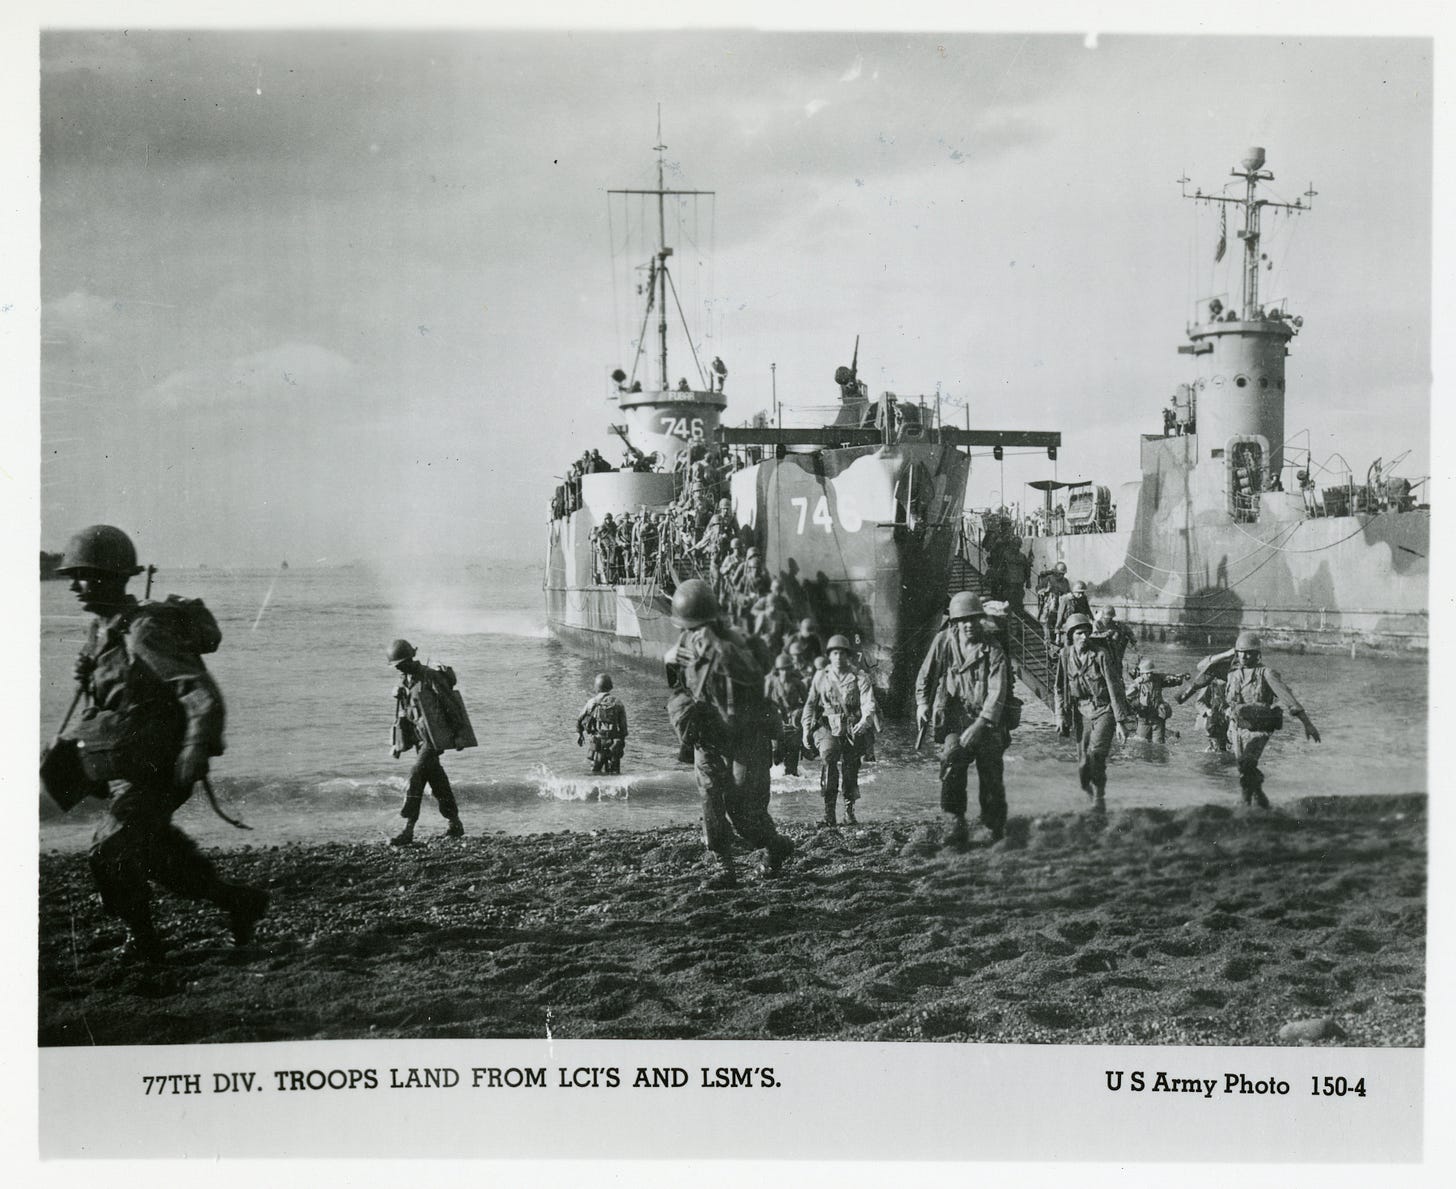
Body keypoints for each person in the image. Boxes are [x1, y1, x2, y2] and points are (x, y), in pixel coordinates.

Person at [55, 524, 268, 962]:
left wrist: (194, 749)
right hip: (123, 765)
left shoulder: (144, 631)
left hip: (159, 766)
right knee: (153, 851)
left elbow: (201, 694)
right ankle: (237, 901)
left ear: (116, 578)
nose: (76, 585)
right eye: (73, 575)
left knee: (109, 848)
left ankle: (144, 941)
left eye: (87, 575)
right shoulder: (99, 633)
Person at [665, 579, 795, 888]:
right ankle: (722, 866)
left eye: (700, 627)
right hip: (708, 736)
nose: (695, 634)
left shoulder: (742, 645)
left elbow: (762, 690)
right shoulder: (679, 652)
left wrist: (777, 734)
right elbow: (677, 688)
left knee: (744, 810)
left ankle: (775, 846)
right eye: (690, 628)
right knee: (710, 799)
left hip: (746, 737)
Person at [916, 591, 1012, 846]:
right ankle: (954, 821)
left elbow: (997, 691)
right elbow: (925, 675)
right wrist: (922, 704)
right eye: (963, 620)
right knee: (951, 761)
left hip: (987, 720)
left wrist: (981, 724)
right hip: (956, 717)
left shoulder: (993, 648)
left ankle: (992, 826)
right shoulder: (943, 641)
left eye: (973, 619)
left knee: (990, 771)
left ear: (980, 619)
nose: (968, 625)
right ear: (955, 622)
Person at [1223, 632, 1320, 807]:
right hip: (1237, 729)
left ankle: (1244, 804)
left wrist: (1308, 724)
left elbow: (1289, 699)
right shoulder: (1232, 675)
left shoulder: (1267, 674)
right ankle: (1261, 799)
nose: (1244, 656)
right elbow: (1204, 668)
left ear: (1257, 654)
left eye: (1249, 652)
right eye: (1241, 652)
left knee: (1246, 764)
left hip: (1260, 729)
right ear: (1236, 653)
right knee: (1244, 767)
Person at [388, 638, 469, 845]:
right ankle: (455, 823)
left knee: (416, 775)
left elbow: (451, 705)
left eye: (399, 665)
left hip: (434, 739)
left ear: (408, 660)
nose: (397, 669)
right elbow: (408, 715)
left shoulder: (429, 676)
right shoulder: (407, 681)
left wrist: (459, 734)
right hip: (420, 739)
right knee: (436, 779)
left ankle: (408, 830)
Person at [1053, 613, 1136, 809]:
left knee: (1096, 755)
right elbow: (1059, 687)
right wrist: (1059, 716)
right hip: (1081, 713)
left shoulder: (1100, 655)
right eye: (1080, 633)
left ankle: (1099, 798)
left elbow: (1114, 687)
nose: (1084, 637)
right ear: (1071, 635)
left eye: (1087, 633)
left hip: (1104, 710)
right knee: (1082, 767)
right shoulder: (1065, 655)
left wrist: (1121, 722)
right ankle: (1089, 793)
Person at [802, 636, 877, 826]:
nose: (838, 657)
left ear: (848, 655)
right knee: (828, 758)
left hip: (852, 727)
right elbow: (810, 705)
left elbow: (869, 703)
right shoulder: (821, 677)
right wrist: (806, 729)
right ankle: (829, 814)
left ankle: (849, 812)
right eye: (834, 653)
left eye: (842, 653)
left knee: (851, 768)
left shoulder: (860, 676)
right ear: (829, 656)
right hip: (827, 725)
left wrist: (865, 721)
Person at [763, 653, 807, 777]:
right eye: (782, 669)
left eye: (787, 669)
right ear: (778, 670)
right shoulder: (771, 682)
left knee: (793, 756)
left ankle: (792, 779)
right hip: (776, 721)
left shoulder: (798, 683)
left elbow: (807, 702)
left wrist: (799, 712)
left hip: (793, 722)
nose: (785, 672)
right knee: (776, 756)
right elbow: (764, 701)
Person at [1127, 657, 1188, 744]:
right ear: (1142, 673)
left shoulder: (1157, 679)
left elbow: (1170, 680)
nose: (1150, 675)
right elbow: (1127, 698)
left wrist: (1178, 679)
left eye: (1151, 672)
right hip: (1144, 719)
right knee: (1141, 743)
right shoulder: (1138, 683)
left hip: (1157, 718)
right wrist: (1136, 706)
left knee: (1158, 744)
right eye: (1147, 673)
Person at [577, 672, 629, 774]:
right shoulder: (618, 703)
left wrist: (580, 734)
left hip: (597, 743)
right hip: (613, 744)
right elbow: (623, 728)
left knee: (595, 772)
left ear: (596, 688)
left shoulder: (591, 702)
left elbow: (579, 720)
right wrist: (621, 743)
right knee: (615, 774)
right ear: (610, 687)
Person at [1091, 606, 1138, 675]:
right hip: (1102, 650)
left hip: (1115, 651)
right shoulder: (1097, 624)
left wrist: (1133, 641)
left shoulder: (1115, 624)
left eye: (1111, 618)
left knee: (1117, 668)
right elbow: (1093, 636)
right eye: (1107, 618)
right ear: (1103, 616)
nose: (1109, 620)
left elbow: (1128, 631)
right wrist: (1106, 634)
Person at [1038, 561, 1070, 648]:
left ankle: (1058, 642)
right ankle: (1047, 644)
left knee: (1059, 624)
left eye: (1063, 574)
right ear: (1056, 572)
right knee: (1046, 623)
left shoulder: (1065, 581)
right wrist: (1046, 590)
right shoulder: (1048, 579)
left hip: (1060, 606)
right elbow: (1038, 589)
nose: (1062, 576)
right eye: (1060, 574)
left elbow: (1068, 592)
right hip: (1049, 606)